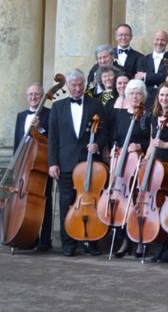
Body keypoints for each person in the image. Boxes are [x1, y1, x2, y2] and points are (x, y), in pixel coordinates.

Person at [47, 68, 108, 257]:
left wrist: (97, 144)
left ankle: (91, 241)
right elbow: (53, 139)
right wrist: (52, 163)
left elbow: (104, 131)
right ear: (68, 86)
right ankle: (69, 244)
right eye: (74, 85)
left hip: (88, 163)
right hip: (65, 163)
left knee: (91, 203)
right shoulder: (58, 107)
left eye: (81, 84)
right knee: (67, 203)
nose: (77, 88)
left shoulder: (96, 104)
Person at [110, 79, 150, 258]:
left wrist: (140, 146)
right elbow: (115, 138)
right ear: (126, 95)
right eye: (132, 93)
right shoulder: (120, 115)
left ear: (144, 96)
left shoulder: (147, 116)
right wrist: (114, 150)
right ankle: (125, 240)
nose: (135, 96)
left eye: (138, 93)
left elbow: (151, 139)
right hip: (122, 163)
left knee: (137, 201)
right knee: (122, 202)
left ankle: (139, 240)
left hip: (139, 162)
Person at [142, 82, 168, 262]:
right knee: (155, 206)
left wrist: (164, 144)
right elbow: (151, 142)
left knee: (167, 207)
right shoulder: (154, 115)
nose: (164, 98)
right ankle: (157, 247)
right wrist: (145, 160)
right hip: (155, 163)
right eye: (162, 95)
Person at [13, 83, 53, 251]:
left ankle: (45, 241)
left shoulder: (50, 114)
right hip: (24, 163)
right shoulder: (21, 116)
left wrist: (39, 129)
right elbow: (17, 141)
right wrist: (15, 165)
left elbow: (52, 138)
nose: (34, 97)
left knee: (45, 201)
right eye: (31, 94)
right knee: (25, 201)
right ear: (27, 96)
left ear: (43, 96)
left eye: (37, 94)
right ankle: (28, 236)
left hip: (42, 163)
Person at [135, 29, 168, 106]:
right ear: (153, 40)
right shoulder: (142, 60)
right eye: (157, 39)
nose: (159, 42)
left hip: (165, 98)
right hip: (146, 98)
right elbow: (139, 79)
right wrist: (160, 76)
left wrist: (146, 76)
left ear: (167, 42)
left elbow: (167, 77)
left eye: (163, 40)